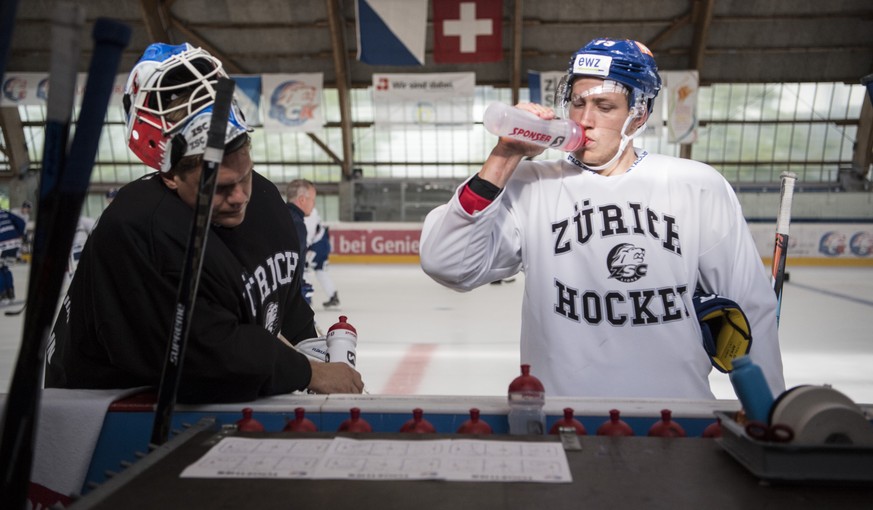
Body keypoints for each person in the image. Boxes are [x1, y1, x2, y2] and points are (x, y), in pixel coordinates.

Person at [419, 38, 785, 400]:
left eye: (604, 106)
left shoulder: (697, 185)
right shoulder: (531, 184)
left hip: (677, 415)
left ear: (638, 114)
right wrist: (505, 155)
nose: (584, 120)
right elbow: (448, 264)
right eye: (577, 103)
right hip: (563, 418)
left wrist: (769, 413)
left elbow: (751, 307)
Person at [45, 42, 363, 403]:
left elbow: (283, 293)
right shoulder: (138, 229)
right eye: (220, 187)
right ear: (169, 177)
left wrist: (313, 345)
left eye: (244, 176)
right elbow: (208, 357)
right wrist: (311, 372)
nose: (240, 196)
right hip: (103, 412)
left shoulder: (265, 198)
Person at [286, 179, 317, 305]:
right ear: (302, 199)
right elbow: (292, 262)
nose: (313, 205)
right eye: (313, 200)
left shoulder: (282, 215)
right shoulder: (297, 224)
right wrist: (298, 288)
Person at [304, 207, 341, 308]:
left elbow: (307, 237)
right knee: (321, 271)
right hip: (322, 243)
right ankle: (333, 297)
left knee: (303, 270)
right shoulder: (311, 209)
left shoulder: (308, 214)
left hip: (316, 246)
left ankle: (306, 300)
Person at [0, 207, 26, 301]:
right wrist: (19, 234)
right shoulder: (4, 212)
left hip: (3, 244)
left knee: (0, 268)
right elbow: (21, 222)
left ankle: (2, 293)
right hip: (15, 243)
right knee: (6, 267)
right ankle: (10, 292)